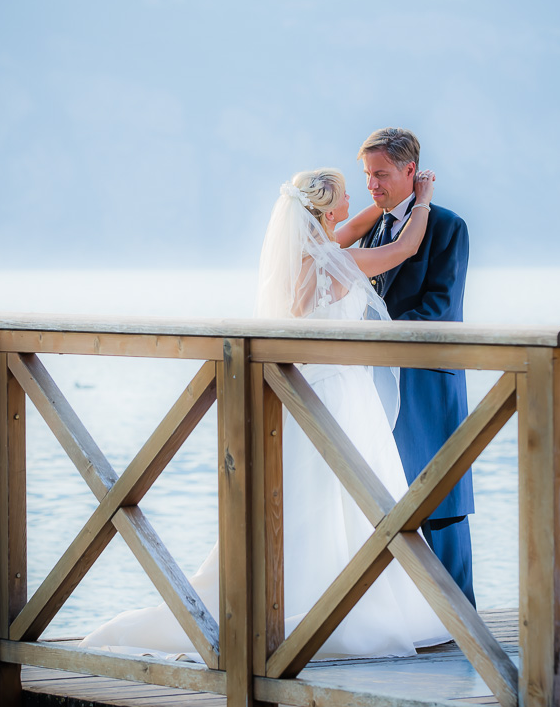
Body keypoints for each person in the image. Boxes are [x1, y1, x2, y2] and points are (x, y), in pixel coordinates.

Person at [79, 167, 449, 660]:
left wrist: (382, 209)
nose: (355, 201)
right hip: (338, 392)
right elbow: (402, 250)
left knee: (305, 494)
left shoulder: (310, 258)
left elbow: (353, 228)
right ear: (327, 210)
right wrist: (420, 199)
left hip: (302, 391)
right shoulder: (337, 264)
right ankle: (337, 605)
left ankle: (281, 596)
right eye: (346, 196)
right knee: (352, 493)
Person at [357, 127, 475, 606]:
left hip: (426, 386)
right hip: (375, 387)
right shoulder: (373, 227)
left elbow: (440, 309)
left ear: (411, 171)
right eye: (367, 175)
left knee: (440, 504)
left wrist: (370, 337)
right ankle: (405, 615)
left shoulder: (448, 227)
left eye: (380, 174)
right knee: (385, 499)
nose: (372, 185)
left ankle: (459, 620)